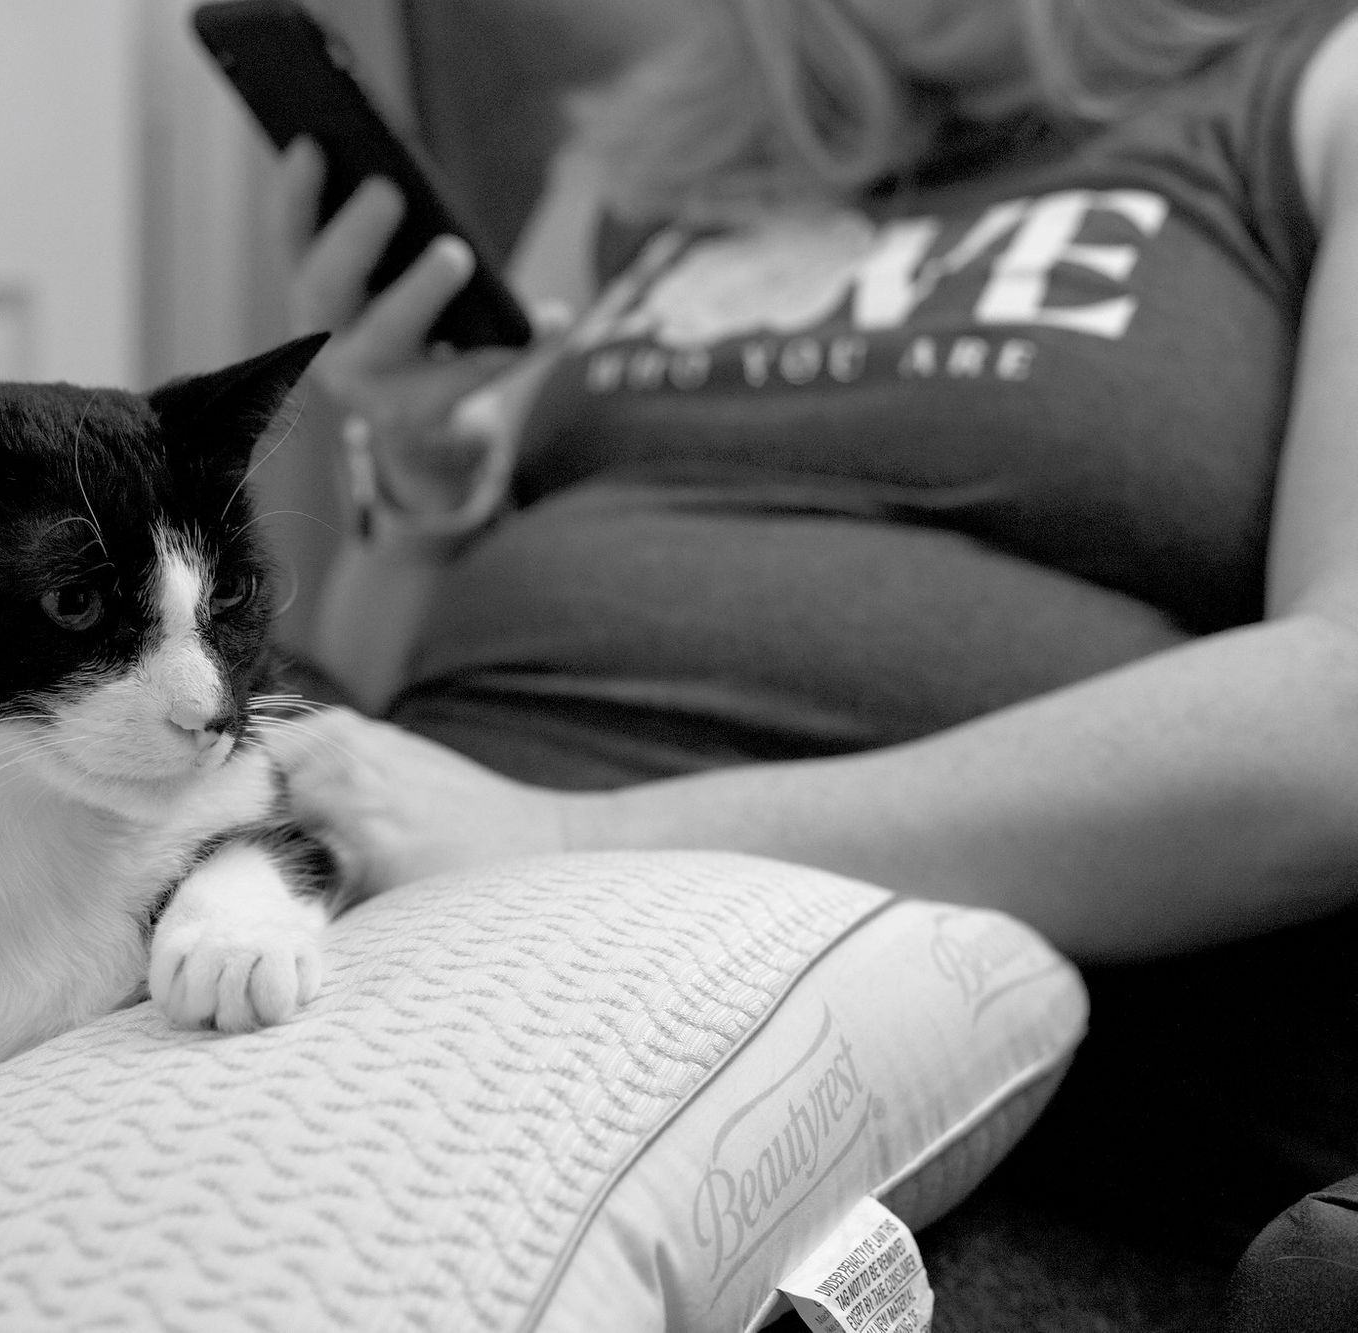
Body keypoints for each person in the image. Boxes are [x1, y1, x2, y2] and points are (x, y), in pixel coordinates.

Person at [266, 0, 1358, 1277]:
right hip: (415, 906)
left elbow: (1331, 726)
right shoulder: (640, 162)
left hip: (924, 1037)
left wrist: (565, 838)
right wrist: (412, 473)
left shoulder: (1308, 91)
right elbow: (392, 680)